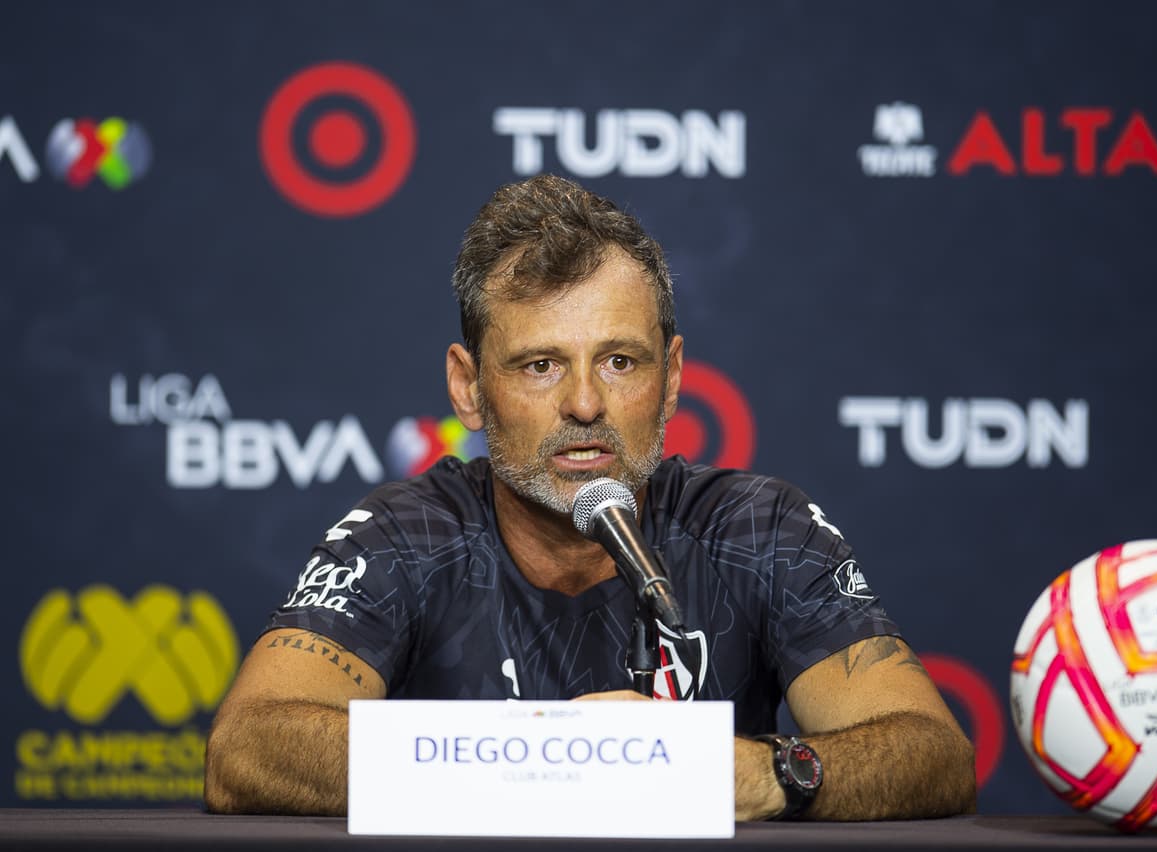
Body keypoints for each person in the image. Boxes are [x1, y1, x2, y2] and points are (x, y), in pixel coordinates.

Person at [203, 174, 977, 821]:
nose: (582, 404)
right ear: (469, 388)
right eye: (540, 365)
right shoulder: (406, 536)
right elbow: (246, 750)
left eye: (618, 361)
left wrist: (767, 774)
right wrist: (554, 754)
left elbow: (932, 752)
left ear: (672, 379)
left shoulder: (757, 527)